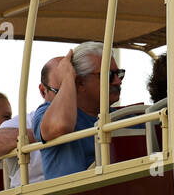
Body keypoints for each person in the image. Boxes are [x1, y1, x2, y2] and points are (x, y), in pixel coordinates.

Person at [32, 43, 125, 180]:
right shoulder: (46, 112)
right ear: (80, 82)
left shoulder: (123, 118)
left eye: (119, 74)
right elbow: (60, 126)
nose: (118, 81)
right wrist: (68, 76)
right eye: (109, 75)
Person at [0, 57, 61, 185]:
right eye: (61, 90)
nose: (69, 95)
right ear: (43, 91)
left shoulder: (95, 115)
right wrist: (46, 132)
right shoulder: (27, 121)